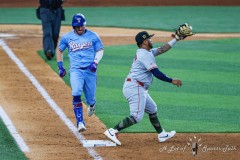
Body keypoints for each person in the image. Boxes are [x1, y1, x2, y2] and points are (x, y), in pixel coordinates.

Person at [104, 31, 182, 145]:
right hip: (135, 87)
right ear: (145, 41)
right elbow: (156, 72)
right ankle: (112, 131)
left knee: (153, 109)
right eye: (150, 39)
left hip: (138, 86)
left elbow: (162, 49)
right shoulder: (144, 55)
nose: (152, 40)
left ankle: (161, 134)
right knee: (136, 116)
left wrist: (176, 39)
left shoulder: (146, 51)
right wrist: (171, 80)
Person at [56, 13, 104, 132]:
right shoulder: (67, 37)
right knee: (76, 92)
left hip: (90, 71)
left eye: (81, 26)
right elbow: (60, 50)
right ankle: (80, 122)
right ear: (74, 27)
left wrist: (95, 62)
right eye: (77, 27)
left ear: (84, 24)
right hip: (75, 70)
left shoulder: (93, 36)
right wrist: (60, 66)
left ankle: (92, 105)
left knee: (90, 99)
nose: (80, 28)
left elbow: (100, 50)